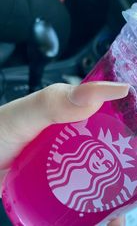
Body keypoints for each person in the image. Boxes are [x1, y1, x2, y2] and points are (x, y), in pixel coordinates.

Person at [0, 81, 128, 226]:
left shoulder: (89, 196)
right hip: (15, 186)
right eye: (99, 154)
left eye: (107, 164)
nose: (100, 162)